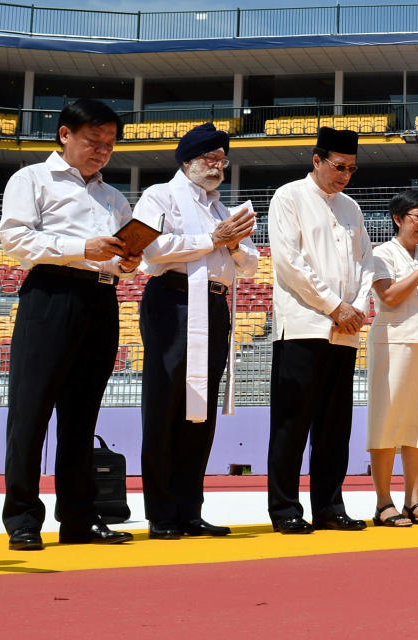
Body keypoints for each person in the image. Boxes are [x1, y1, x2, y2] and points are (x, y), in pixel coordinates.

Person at [0, 99, 139, 550]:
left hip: (101, 297)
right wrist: (83, 248)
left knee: (82, 416)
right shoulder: (32, 179)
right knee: (31, 411)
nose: (102, 151)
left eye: (110, 144)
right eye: (93, 141)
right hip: (50, 293)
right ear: (65, 135)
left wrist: (127, 262)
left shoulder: (113, 197)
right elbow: (16, 238)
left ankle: (78, 516)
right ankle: (22, 517)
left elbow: (117, 261)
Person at [134, 123, 259, 539]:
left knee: (198, 410)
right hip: (172, 300)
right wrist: (213, 239)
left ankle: (190, 507)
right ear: (187, 160)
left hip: (214, 303)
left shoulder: (224, 209)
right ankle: (161, 511)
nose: (217, 167)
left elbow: (251, 264)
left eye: (223, 160)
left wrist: (233, 243)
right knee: (165, 404)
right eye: (209, 159)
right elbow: (150, 249)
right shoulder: (160, 196)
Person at [266, 127, 374, 534]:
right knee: (292, 423)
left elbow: (366, 263)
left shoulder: (351, 208)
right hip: (303, 326)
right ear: (317, 160)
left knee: (334, 426)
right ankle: (286, 508)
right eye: (338, 166)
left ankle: (329, 505)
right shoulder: (288, 196)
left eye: (352, 168)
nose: (345, 175)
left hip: (345, 330)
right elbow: (290, 264)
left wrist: (357, 306)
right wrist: (334, 305)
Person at [366, 190, 418, 527]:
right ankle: (383, 501)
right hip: (393, 342)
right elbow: (387, 296)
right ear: (398, 218)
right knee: (387, 420)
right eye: (417, 216)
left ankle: (413, 500)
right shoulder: (381, 254)